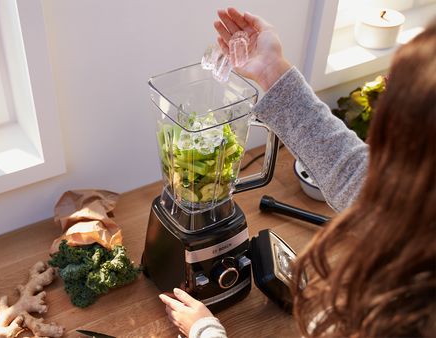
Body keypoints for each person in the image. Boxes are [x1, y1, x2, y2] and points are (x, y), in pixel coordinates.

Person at [159, 8, 436, 338]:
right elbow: (358, 178)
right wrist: (270, 69)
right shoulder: (415, 219)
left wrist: (205, 331)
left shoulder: (407, 314)